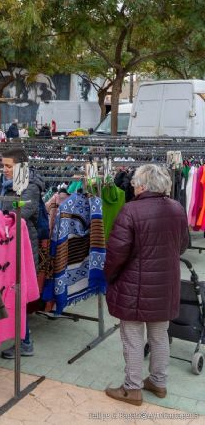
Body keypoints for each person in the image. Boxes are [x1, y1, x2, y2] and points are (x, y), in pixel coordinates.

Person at [104, 164, 188, 406]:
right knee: (160, 335)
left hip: (133, 286)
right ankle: (159, 383)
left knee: (132, 336)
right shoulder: (177, 208)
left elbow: (116, 253)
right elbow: (182, 246)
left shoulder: (131, 211)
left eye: (134, 183)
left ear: (142, 185)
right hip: (165, 285)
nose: (132, 186)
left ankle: (132, 388)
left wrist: (108, 277)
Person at [0, 147, 45, 358]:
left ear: (20, 167)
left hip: (22, 248)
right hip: (3, 246)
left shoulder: (31, 187)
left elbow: (23, 213)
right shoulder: (4, 182)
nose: (4, 170)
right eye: (3, 165)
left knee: (17, 294)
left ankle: (25, 342)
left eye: (8, 166)